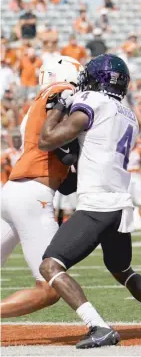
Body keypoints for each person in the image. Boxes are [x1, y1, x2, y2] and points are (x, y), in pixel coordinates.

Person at [37, 54, 141, 349]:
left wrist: (56, 107)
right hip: (121, 205)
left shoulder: (92, 102)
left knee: (50, 267)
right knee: (122, 270)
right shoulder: (128, 112)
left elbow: (48, 139)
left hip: (98, 204)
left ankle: (98, 326)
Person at [1, 56, 82, 318]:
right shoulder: (62, 92)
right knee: (50, 287)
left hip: (12, 191)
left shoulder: (37, 104)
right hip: (34, 196)